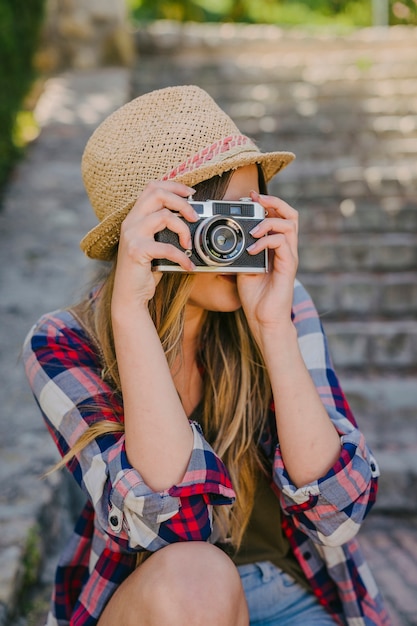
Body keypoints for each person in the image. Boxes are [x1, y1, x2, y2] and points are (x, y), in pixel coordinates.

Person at [23, 85, 391, 626]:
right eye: (216, 215)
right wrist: (130, 315)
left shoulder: (277, 309)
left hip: (294, 588)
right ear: (146, 230)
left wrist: (273, 327)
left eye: (249, 211)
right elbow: (172, 527)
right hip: (159, 602)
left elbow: (340, 512)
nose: (235, 238)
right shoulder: (64, 341)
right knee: (198, 578)